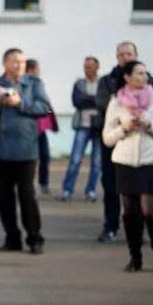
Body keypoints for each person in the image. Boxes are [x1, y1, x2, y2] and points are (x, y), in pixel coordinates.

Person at [0, 48, 49, 255]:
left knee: (27, 195)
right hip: (1, 150)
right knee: (4, 197)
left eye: (22, 62)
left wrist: (21, 103)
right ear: (5, 63)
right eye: (15, 61)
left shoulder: (34, 83)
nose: (19, 65)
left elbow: (45, 108)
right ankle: (12, 238)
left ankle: (35, 238)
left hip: (26, 150)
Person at [102, 60, 153, 272]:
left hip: (149, 160)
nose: (144, 77)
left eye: (145, 73)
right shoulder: (116, 102)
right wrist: (124, 128)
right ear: (127, 77)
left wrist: (149, 124)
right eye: (139, 73)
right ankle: (135, 256)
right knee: (129, 212)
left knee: (149, 211)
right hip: (124, 161)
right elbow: (107, 138)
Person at [95, 42, 153, 243]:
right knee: (111, 186)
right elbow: (102, 103)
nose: (125, 57)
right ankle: (111, 226)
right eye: (121, 54)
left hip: (143, 144)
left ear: (135, 55)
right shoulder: (107, 80)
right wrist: (124, 116)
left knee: (142, 193)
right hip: (116, 141)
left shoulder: (148, 80)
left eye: (129, 53)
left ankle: (139, 230)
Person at [61, 57, 102, 202]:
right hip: (82, 126)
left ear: (97, 67)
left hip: (98, 127)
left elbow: (103, 101)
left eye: (89, 67)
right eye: (85, 67)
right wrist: (94, 99)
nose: (86, 70)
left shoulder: (102, 83)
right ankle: (67, 190)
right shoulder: (79, 83)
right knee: (75, 159)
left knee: (97, 162)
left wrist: (88, 99)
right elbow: (77, 101)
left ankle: (90, 190)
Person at [26, 59, 58, 196]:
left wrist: (48, 114)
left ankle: (43, 184)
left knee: (44, 156)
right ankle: (27, 185)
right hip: (28, 128)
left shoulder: (39, 83)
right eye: (38, 68)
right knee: (30, 158)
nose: (39, 71)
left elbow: (46, 106)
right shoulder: (25, 85)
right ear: (32, 69)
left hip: (40, 128)